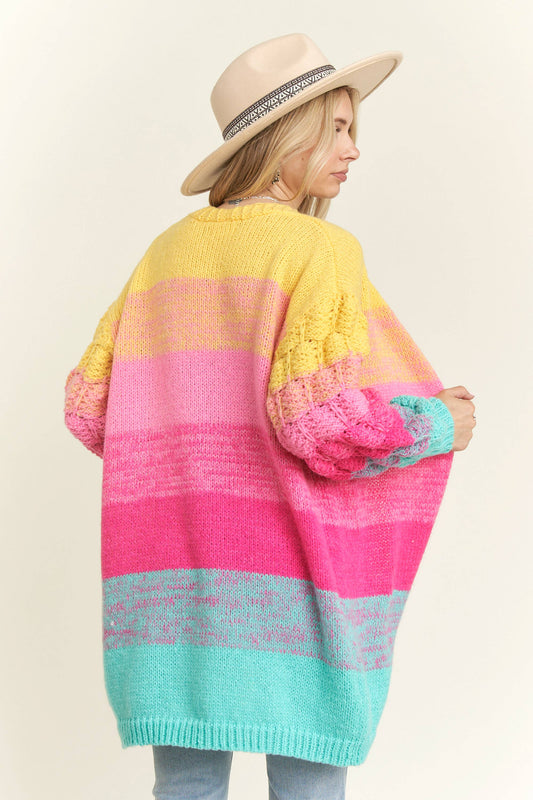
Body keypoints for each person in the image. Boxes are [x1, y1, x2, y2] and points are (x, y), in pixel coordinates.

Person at [63, 32, 476, 800]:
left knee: (186, 784)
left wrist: (189, 426)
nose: (353, 149)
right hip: (286, 583)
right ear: (285, 137)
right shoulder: (318, 249)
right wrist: (435, 425)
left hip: (170, 590)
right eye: (338, 128)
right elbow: (321, 426)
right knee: (307, 783)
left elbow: (91, 410)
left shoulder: (163, 254)